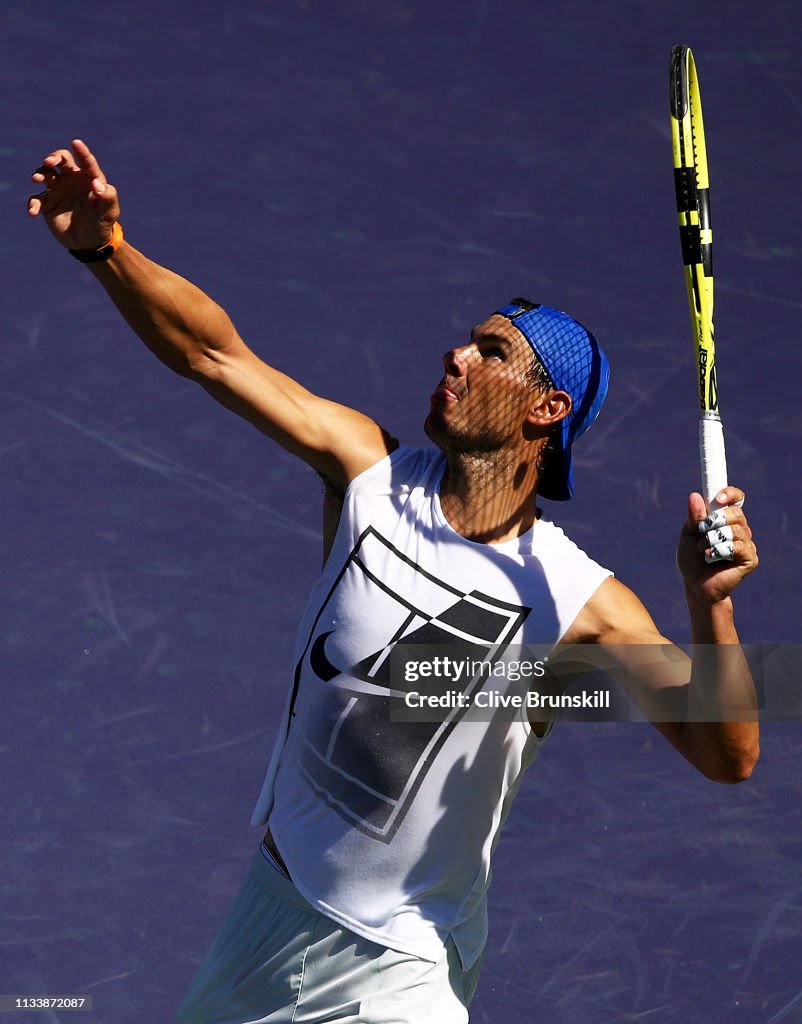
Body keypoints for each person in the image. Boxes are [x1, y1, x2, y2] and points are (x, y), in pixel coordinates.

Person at [28, 140, 760, 1024]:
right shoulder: (365, 470)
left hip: (400, 971)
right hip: (273, 913)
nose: (457, 355)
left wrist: (707, 606)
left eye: (491, 352)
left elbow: (730, 756)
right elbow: (213, 356)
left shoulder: (579, 606)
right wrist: (105, 248)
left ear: (545, 409)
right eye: (469, 340)